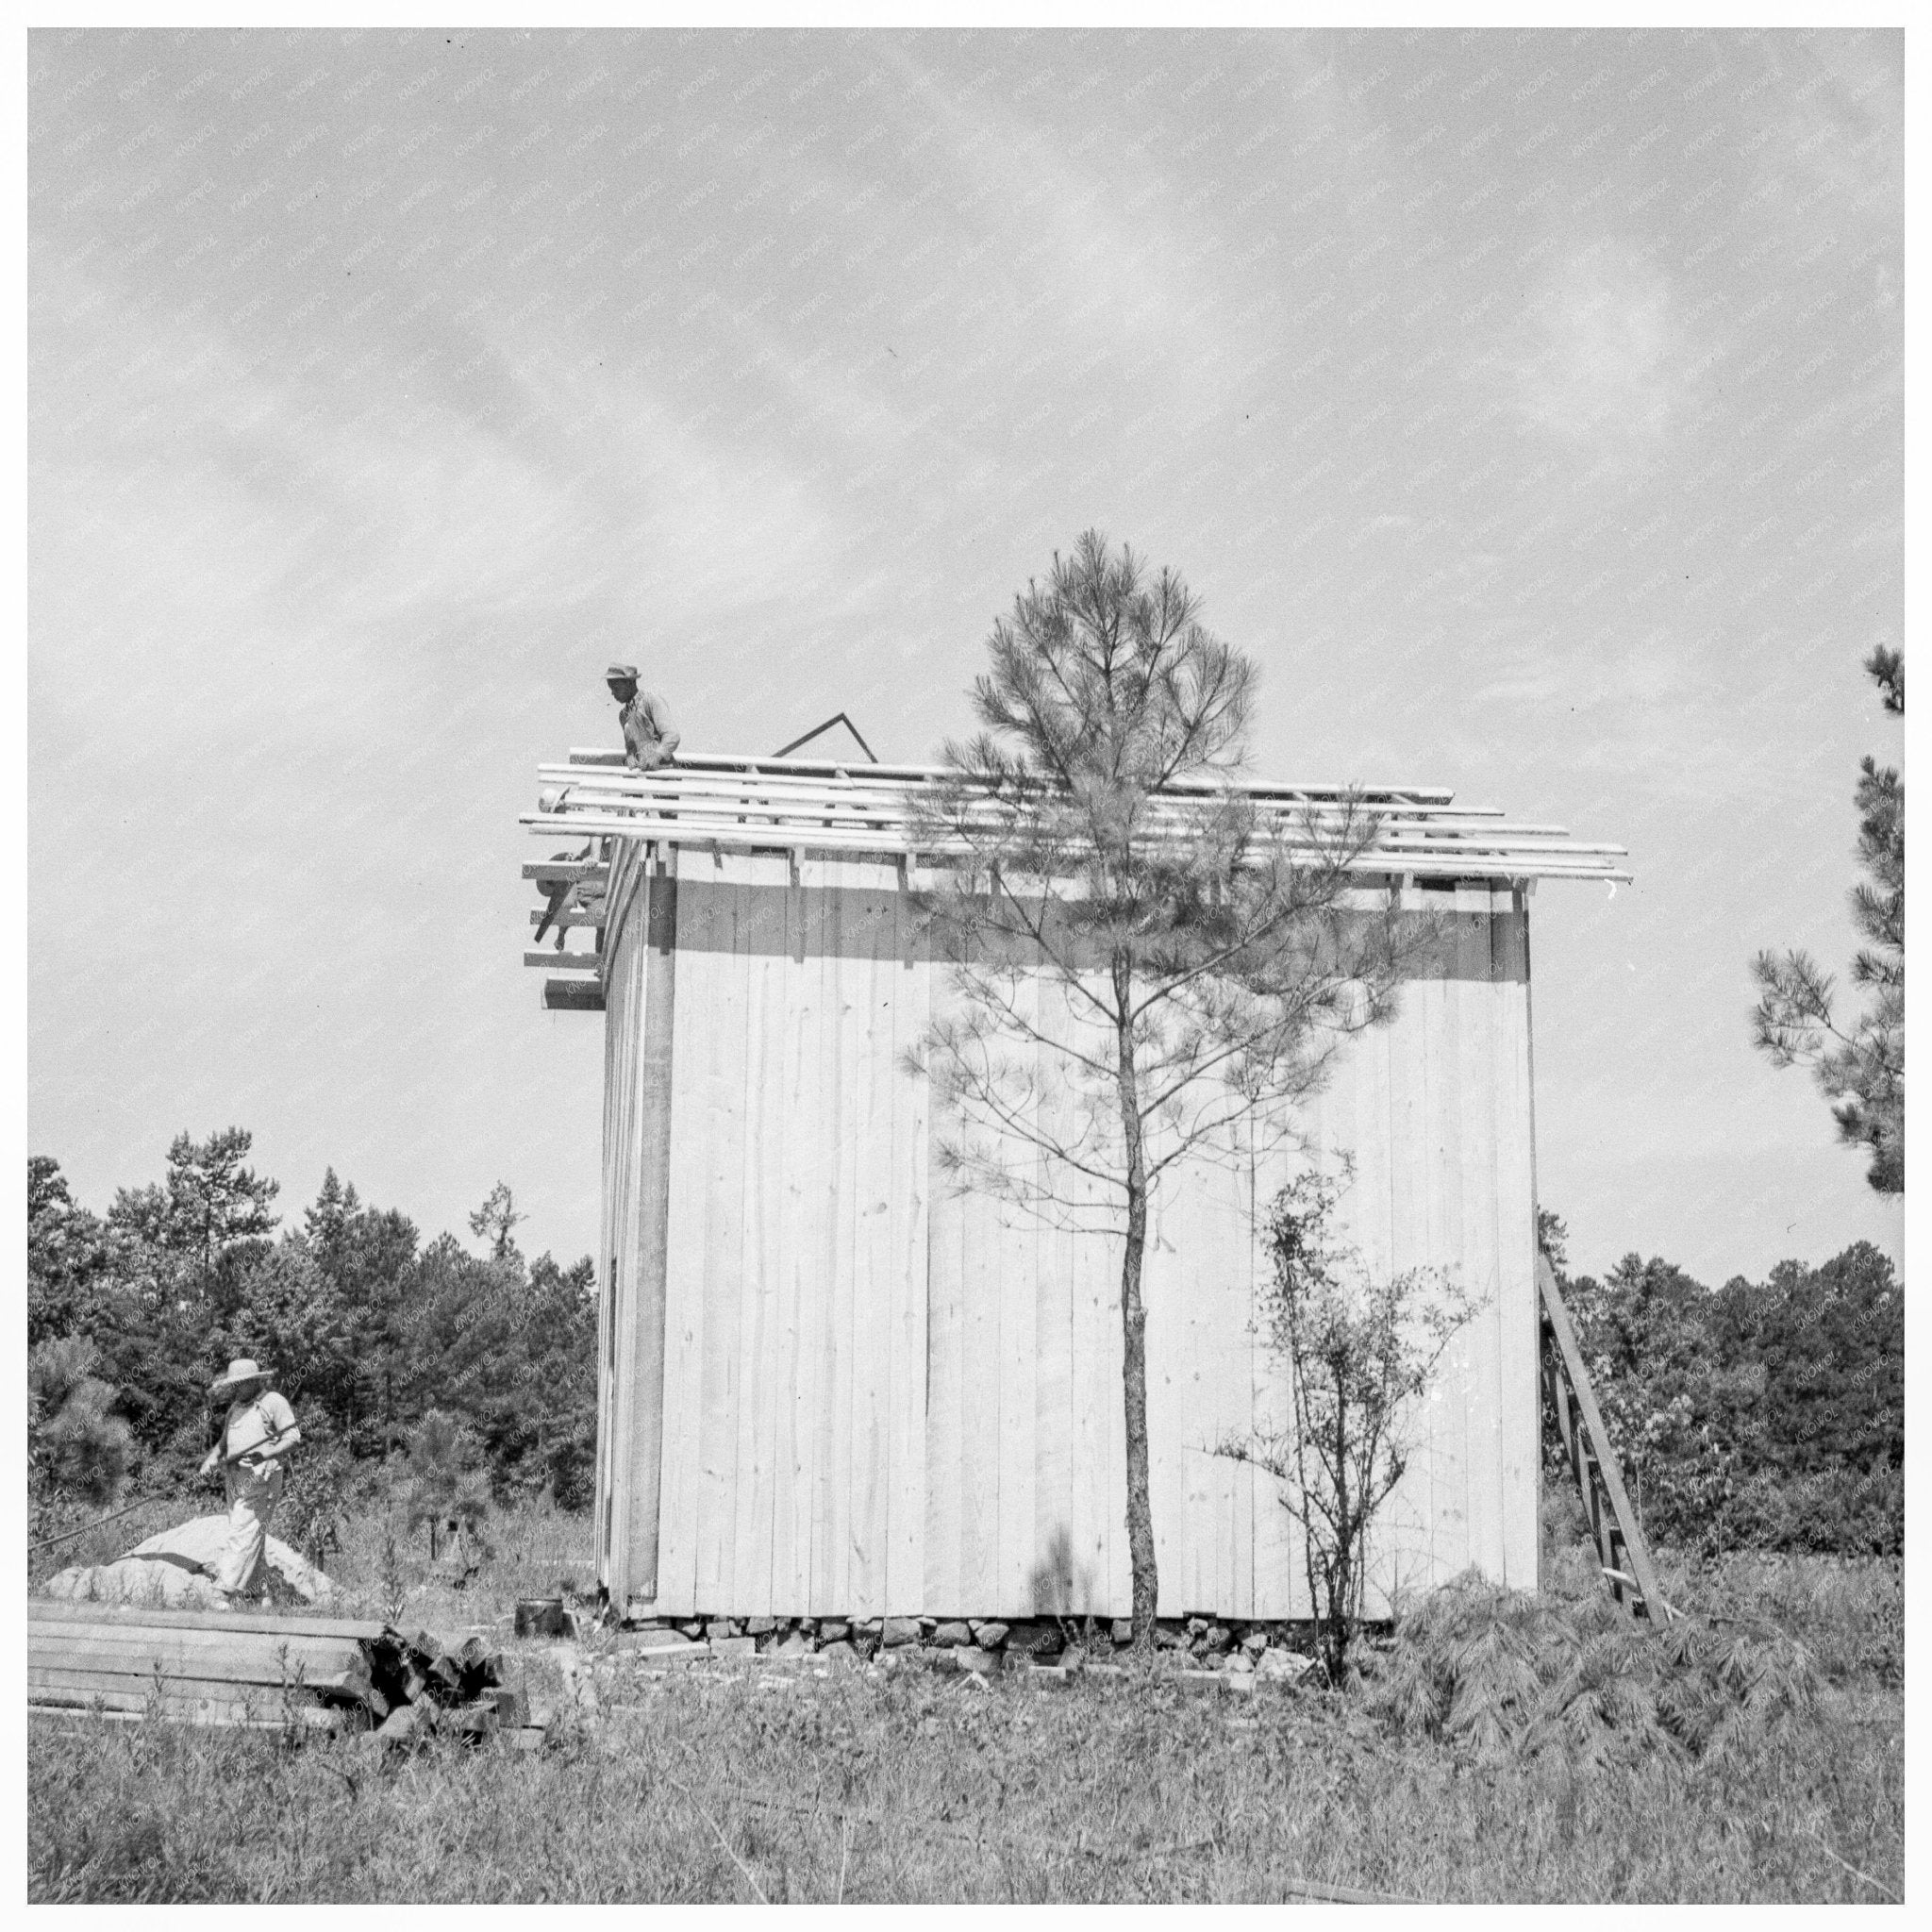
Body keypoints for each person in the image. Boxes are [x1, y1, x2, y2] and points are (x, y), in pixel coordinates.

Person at [200, 1358, 301, 1602]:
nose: (235, 1389)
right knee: (251, 1533)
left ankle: (222, 1592)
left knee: (243, 1531)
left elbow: (293, 1436)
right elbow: (223, 1444)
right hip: (235, 1479)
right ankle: (259, 1594)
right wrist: (211, 1459)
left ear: (254, 1382)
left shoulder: (272, 1402)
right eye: (233, 1385)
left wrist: (266, 1452)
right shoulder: (235, 1409)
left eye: (240, 1384)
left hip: (262, 1478)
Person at [606, 664, 680, 770]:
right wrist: (630, 757)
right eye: (611, 689)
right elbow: (631, 747)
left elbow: (672, 735)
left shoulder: (651, 700)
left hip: (665, 774)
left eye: (616, 688)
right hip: (642, 776)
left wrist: (657, 755)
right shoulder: (623, 716)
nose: (613, 693)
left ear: (629, 683)